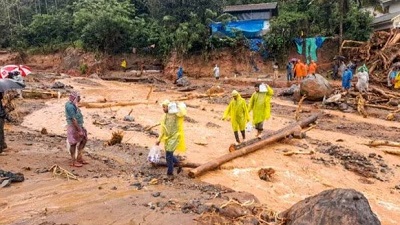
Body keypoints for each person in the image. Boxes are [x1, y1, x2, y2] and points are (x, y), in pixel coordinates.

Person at [156, 100, 186, 176]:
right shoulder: (165, 116)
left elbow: (183, 112)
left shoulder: (175, 114)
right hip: (168, 138)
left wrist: (177, 105)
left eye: (164, 107)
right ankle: (178, 163)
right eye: (163, 107)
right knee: (169, 154)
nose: (163, 109)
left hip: (175, 137)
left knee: (168, 155)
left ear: (168, 107)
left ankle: (170, 173)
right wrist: (159, 139)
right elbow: (163, 129)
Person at [65, 91, 88, 167]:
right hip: (73, 127)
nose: (80, 98)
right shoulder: (70, 106)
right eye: (79, 97)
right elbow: (73, 119)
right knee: (73, 143)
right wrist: (79, 130)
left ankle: (79, 157)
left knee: (84, 139)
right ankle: (73, 161)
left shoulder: (74, 105)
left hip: (78, 125)